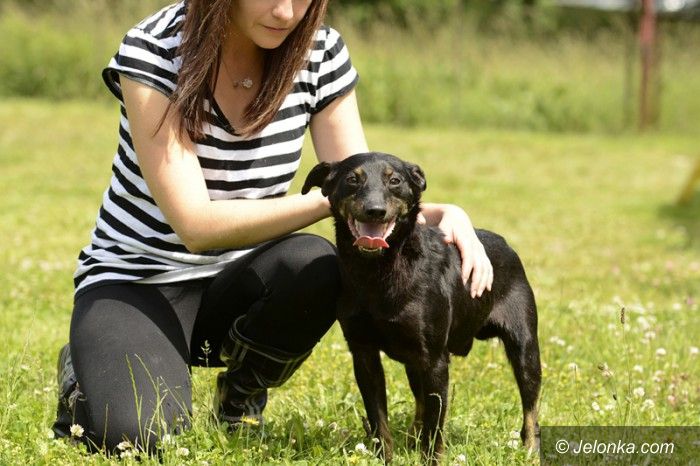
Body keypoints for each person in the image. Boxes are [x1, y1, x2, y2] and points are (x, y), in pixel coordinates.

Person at [52, 0, 494, 455]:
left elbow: (361, 194)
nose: (286, 12)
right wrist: (324, 201)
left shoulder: (318, 50)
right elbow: (195, 225)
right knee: (138, 438)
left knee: (318, 263)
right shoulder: (156, 49)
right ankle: (84, 373)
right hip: (139, 282)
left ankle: (240, 392)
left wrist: (444, 213)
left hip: (243, 281)